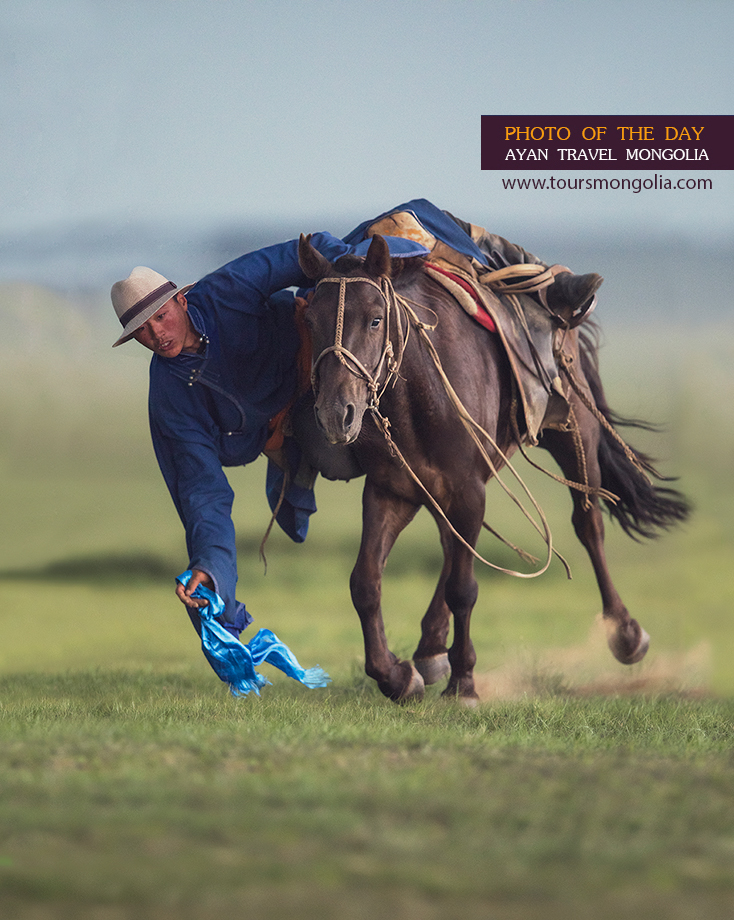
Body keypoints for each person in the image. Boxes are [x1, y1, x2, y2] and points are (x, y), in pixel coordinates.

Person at [111, 199, 600, 649]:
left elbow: (308, 249)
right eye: (141, 332)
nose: (156, 335)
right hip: (299, 416)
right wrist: (210, 571)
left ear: (179, 300)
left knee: (413, 215)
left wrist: (355, 269)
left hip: (320, 363)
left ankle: (546, 286)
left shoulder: (226, 290)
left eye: (160, 317)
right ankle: (295, 469)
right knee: (334, 456)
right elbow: (201, 491)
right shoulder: (170, 397)